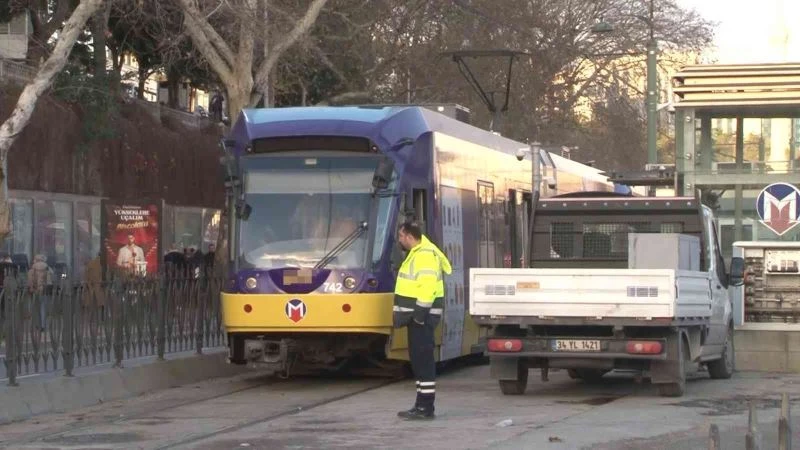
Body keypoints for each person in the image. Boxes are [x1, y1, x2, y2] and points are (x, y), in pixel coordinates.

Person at [392, 221, 452, 420]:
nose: (399, 240)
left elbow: (427, 289)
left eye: (401, 236)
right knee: (418, 362)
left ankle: (425, 408)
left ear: (409, 236)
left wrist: (418, 316)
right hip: (418, 318)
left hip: (421, 318)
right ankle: (421, 405)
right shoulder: (419, 253)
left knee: (423, 362)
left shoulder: (424, 256)